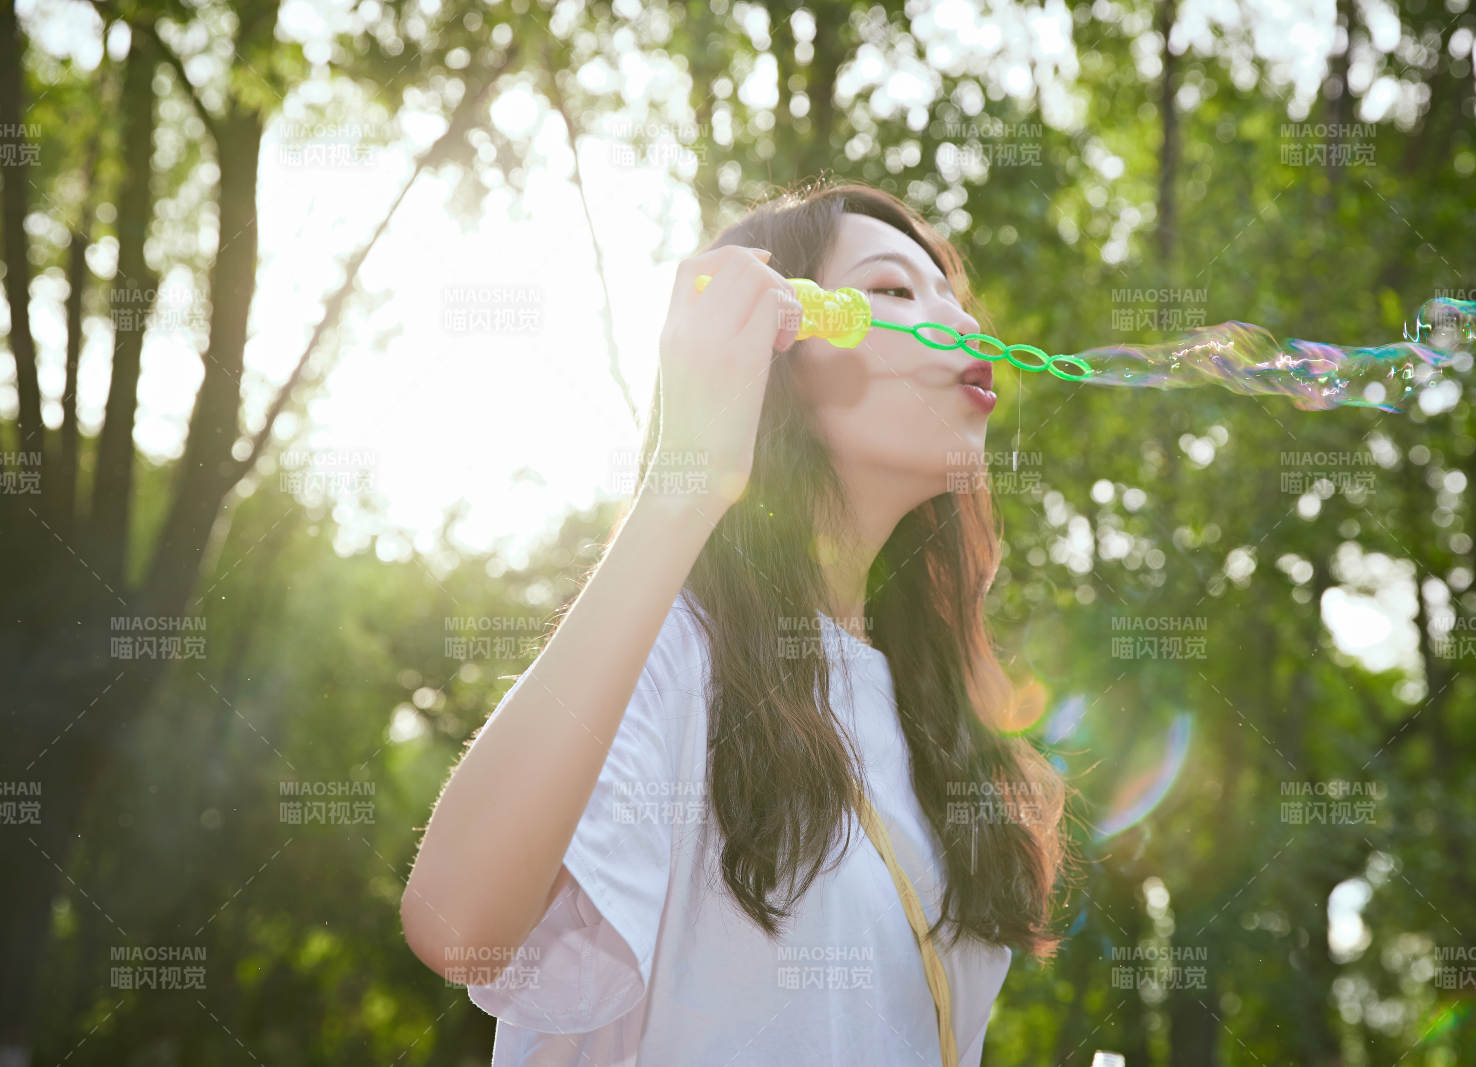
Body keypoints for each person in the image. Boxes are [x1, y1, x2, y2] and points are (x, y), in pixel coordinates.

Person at [401, 177, 1070, 1065]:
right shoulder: (679, 652)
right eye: (896, 290)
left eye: (953, 293)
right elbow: (457, 922)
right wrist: (689, 476)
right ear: (781, 351)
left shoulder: (934, 719)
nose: (966, 327)